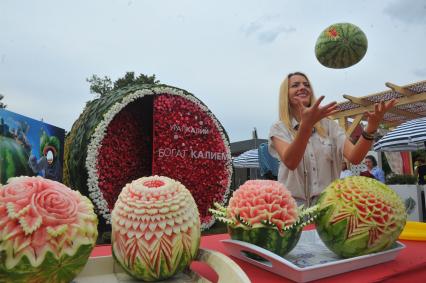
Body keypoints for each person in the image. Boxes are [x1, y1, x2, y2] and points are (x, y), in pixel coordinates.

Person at [268, 72, 396, 206]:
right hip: (293, 208)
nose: (302, 87)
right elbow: (291, 161)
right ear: (286, 95)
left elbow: (355, 157)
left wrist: (371, 127)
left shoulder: (329, 126)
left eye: (306, 85)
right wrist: (306, 126)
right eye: (295, 85)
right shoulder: (279, 128)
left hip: (328, 206)